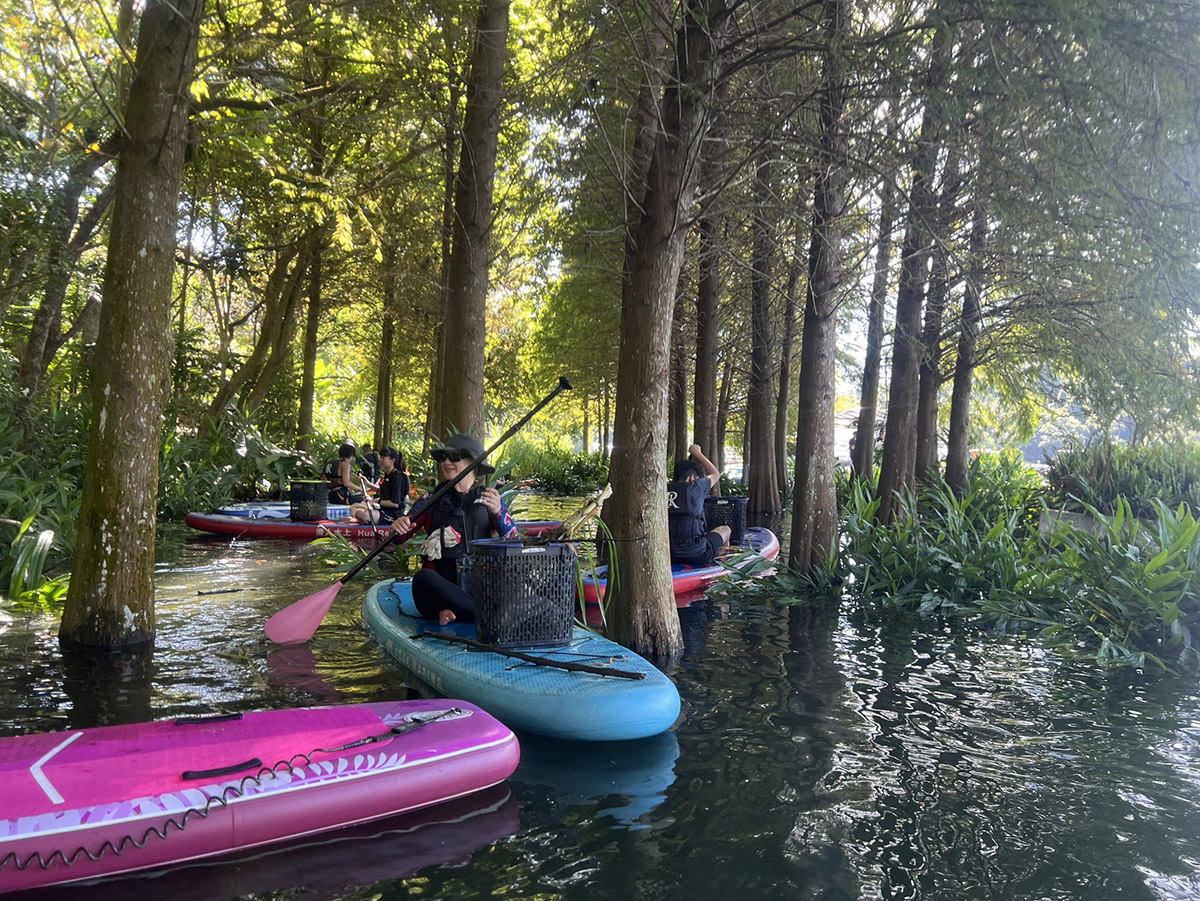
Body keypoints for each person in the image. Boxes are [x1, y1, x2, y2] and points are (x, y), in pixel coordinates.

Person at [390, 433, 518, 625]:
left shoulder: (490, 498)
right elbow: (398, 538)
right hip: (440, 590)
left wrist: (499, 512)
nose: (447, 462)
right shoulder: (430, 500)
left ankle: (454, 612)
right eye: (443, 457)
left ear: (473, 463)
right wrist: (397, 527)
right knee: (423, 578)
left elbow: (514, 543)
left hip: (477, 586)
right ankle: (479, 615)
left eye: (455, 457)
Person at [667, 443, 730, 567]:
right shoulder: (695, 487)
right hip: (697, 555)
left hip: (670, 554)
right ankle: (724, 561)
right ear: (692, 478)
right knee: (726, 529)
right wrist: (697, 453)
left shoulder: (664, 488)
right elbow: (715, 475)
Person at [346, 446, 409, 524]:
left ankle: (365, 519)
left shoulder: (397, 477)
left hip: (392, 515)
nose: (380, 460)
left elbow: (395, 504)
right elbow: (383, 491)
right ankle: (365, 520)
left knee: (361, 514)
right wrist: (368, 483)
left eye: (383, 458)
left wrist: (374, 501)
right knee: (354, 506)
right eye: (380, 457)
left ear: (392, 460)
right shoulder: (388, 475)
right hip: (382, 509)